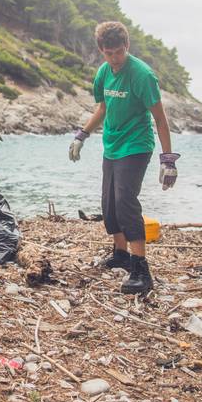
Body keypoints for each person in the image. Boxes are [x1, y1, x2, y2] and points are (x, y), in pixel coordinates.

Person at [68, 21, 179, 294]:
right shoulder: (104, 73)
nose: (115, 58)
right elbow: (103, 107)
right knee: (109, 202)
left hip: (137, 144)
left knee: (125, 200)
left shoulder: (142, 75)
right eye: (109, 53)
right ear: (101, 50)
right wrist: (82, 134)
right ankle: (120, 253)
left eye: (119, 52)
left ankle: (141, 269)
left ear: (126, 47)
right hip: (113, 144)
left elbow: (160, 120)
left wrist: (168, 160)